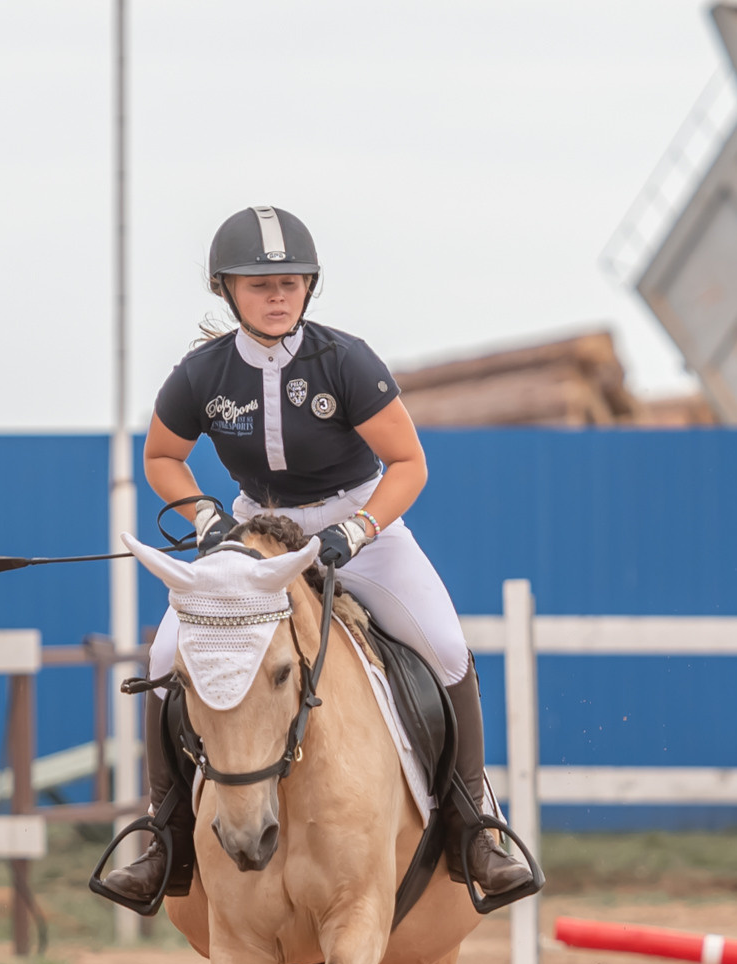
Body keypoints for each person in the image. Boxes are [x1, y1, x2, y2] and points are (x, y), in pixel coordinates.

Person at [106, 204, 532, 910]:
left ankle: (474, 827)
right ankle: (165, 840)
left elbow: (408, 463)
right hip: (253, 538)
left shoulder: (344, 360)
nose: (278, 297)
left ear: (310, 287)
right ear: (226, 291)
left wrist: (358, 529)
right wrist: (207, 517)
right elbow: (161, 457)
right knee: (162, 657)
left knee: (448, 647)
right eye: (259, 285)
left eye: (291, 283)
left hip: (356, 526)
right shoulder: (203, 374)